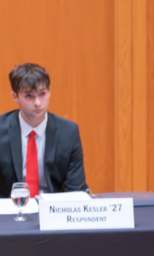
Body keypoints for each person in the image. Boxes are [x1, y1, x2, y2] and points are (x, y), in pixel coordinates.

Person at [0, 63, 89, 198]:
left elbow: (75, 189)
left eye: (42, 94)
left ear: (49, 92)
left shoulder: (68, 132)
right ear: (15, 96)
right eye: (29, 96)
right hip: (10, 211)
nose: (37, 103)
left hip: (55, 211)